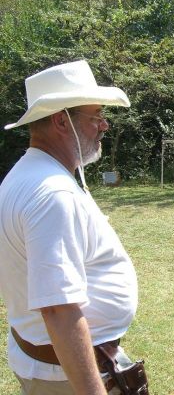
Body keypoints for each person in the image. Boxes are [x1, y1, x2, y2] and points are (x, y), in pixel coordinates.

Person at [0, 60, 144, 394]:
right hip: (61, 377)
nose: (104, 125)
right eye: (95, 116)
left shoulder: (27, 176)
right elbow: (58, 309)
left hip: (49, 365)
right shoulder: (52, 193)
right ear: (60, 121)